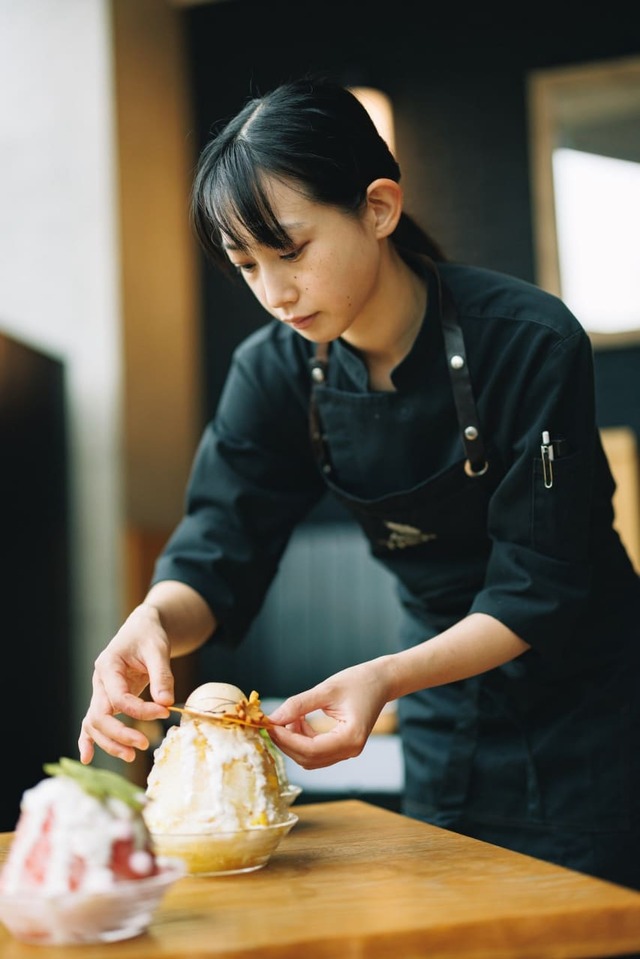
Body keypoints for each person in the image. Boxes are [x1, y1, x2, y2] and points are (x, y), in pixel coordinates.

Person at [79, 75, 640, 889]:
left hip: (591, 712)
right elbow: (217, 554)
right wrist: (152, 619)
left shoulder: (528, 342)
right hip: (443, 716)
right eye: (246, 265)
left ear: (377, 207)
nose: (274, 293)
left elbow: (540, 587)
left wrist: (387, 675)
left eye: (292, 250)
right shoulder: (271, 374)